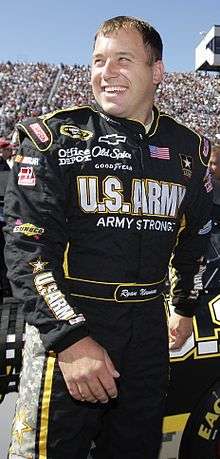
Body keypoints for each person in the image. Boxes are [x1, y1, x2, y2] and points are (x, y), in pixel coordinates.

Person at [3, 16, 213, 459]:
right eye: (98, 61)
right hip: (71, 327)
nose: (107, 71)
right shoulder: (51, 139)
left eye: (123, 59)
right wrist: (70, 339)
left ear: (157, 71)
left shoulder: (188, 148)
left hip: (147, 333)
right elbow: (28, 250)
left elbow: (198, 235)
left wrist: (183, 308)